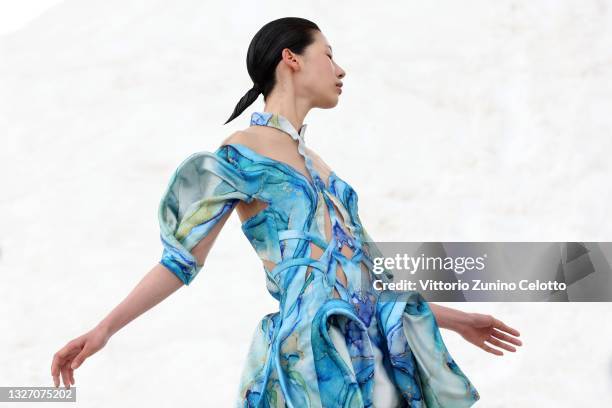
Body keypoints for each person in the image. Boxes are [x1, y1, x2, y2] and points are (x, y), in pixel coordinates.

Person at [51, 17, 522, 407]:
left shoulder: (324, 170)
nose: (341, 69)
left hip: (372, 354)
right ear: (291, 58)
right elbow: (180, 261)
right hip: (311, 362)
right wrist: (103, 329)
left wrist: (458, 320)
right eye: (329, 54)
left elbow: (367, 279)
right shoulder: (241, 154)